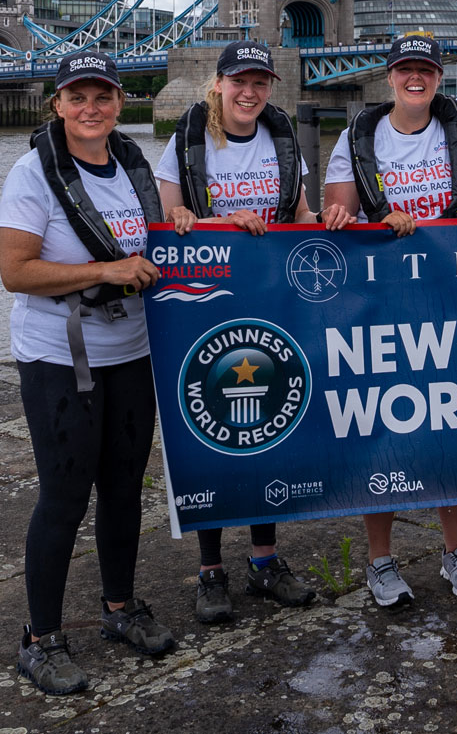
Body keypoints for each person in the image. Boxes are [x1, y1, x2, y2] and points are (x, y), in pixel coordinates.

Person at [319, 0, 457, 606]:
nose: (415, 78)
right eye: (406, 69)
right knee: (383, 434)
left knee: (453, 431)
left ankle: (456, 553)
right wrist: (354, 219)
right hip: (381, 307)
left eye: (425, 70)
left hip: (452, 299)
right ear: (391, 76)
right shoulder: (356, 137)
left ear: (437, 78)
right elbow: (336, 215)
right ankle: (380, 562)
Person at [0, 50, 172, 696]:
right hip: (58, 357)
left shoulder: (131, 166)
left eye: (102, 96)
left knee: (125, 489)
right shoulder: (31, 175)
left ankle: (120, 610)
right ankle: (40, 641)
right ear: (58, 106)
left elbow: (160, 245)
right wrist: (104, 270)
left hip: (131, 350)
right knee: (65, 499)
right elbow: (16, 271)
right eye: (78, 97)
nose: (91, 108)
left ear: (120, 103)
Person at [155, 40, 319, 625]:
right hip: (208, 309)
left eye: (260, 83)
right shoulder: (187, 142)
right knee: (212, 432)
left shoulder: (281, 142)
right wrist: (218, 223)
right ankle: (209, 570)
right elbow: (171, 221)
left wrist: (332, 226)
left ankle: (264, 560)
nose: (249, 93)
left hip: (272, 301)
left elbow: (299, 216)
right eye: (239, 82)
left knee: (271, 428)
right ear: (218, 84)